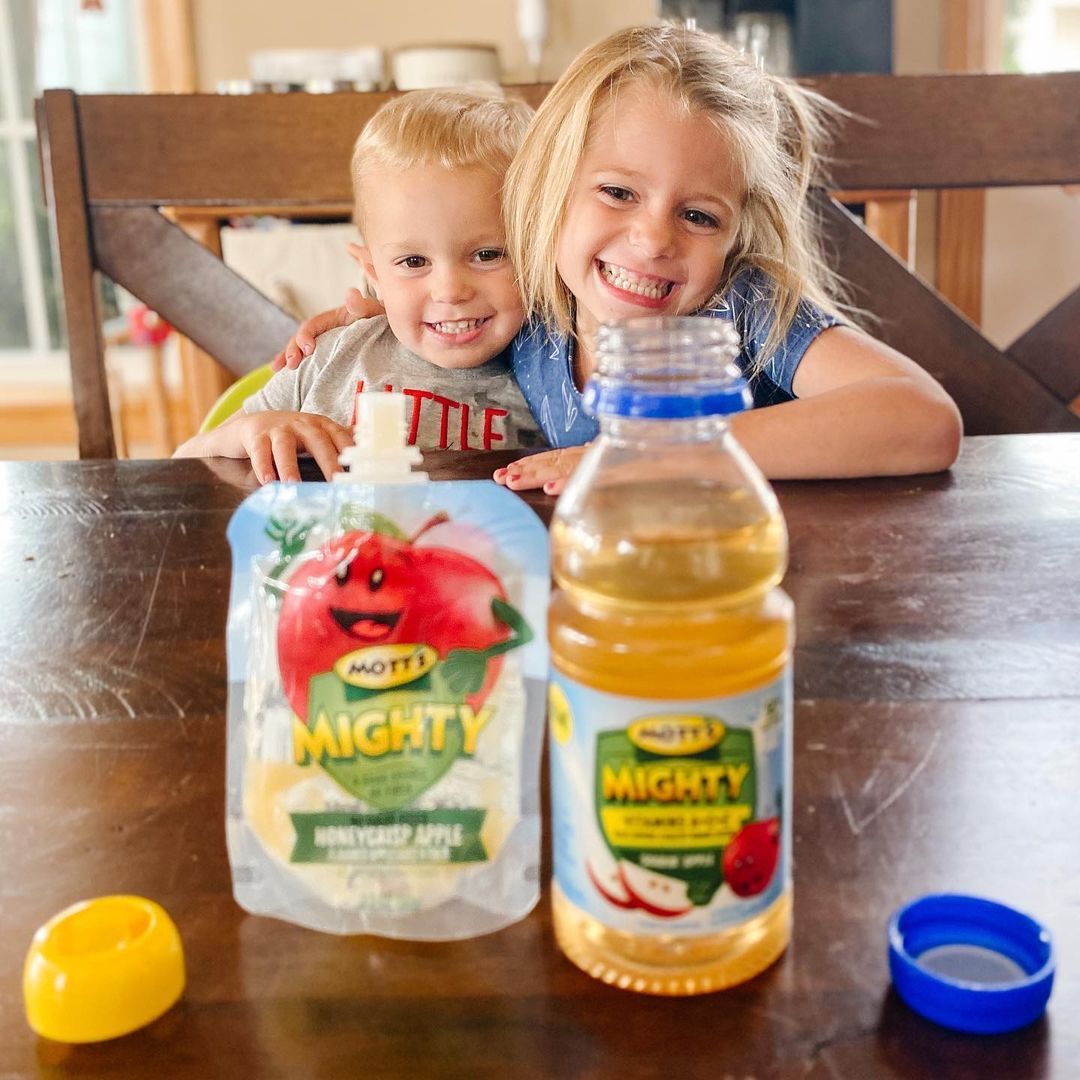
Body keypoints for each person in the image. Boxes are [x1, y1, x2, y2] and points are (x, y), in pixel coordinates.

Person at [280, 25, 962, 493]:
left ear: (737, 232)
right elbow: (451, 295)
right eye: (618, 193)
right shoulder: (538, 310)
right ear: (551, 186)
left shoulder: (742, 308)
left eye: (699, 216)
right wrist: (372, 316)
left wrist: (653, 457)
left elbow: (923, 418)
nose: (655, 239)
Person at [174, 86, 543, 483]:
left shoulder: (556, 378)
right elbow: (181, 465)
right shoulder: (333, 357)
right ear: (373, 272)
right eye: (413, 262)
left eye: (487, 255)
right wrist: (250, 430)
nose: (450, 290)